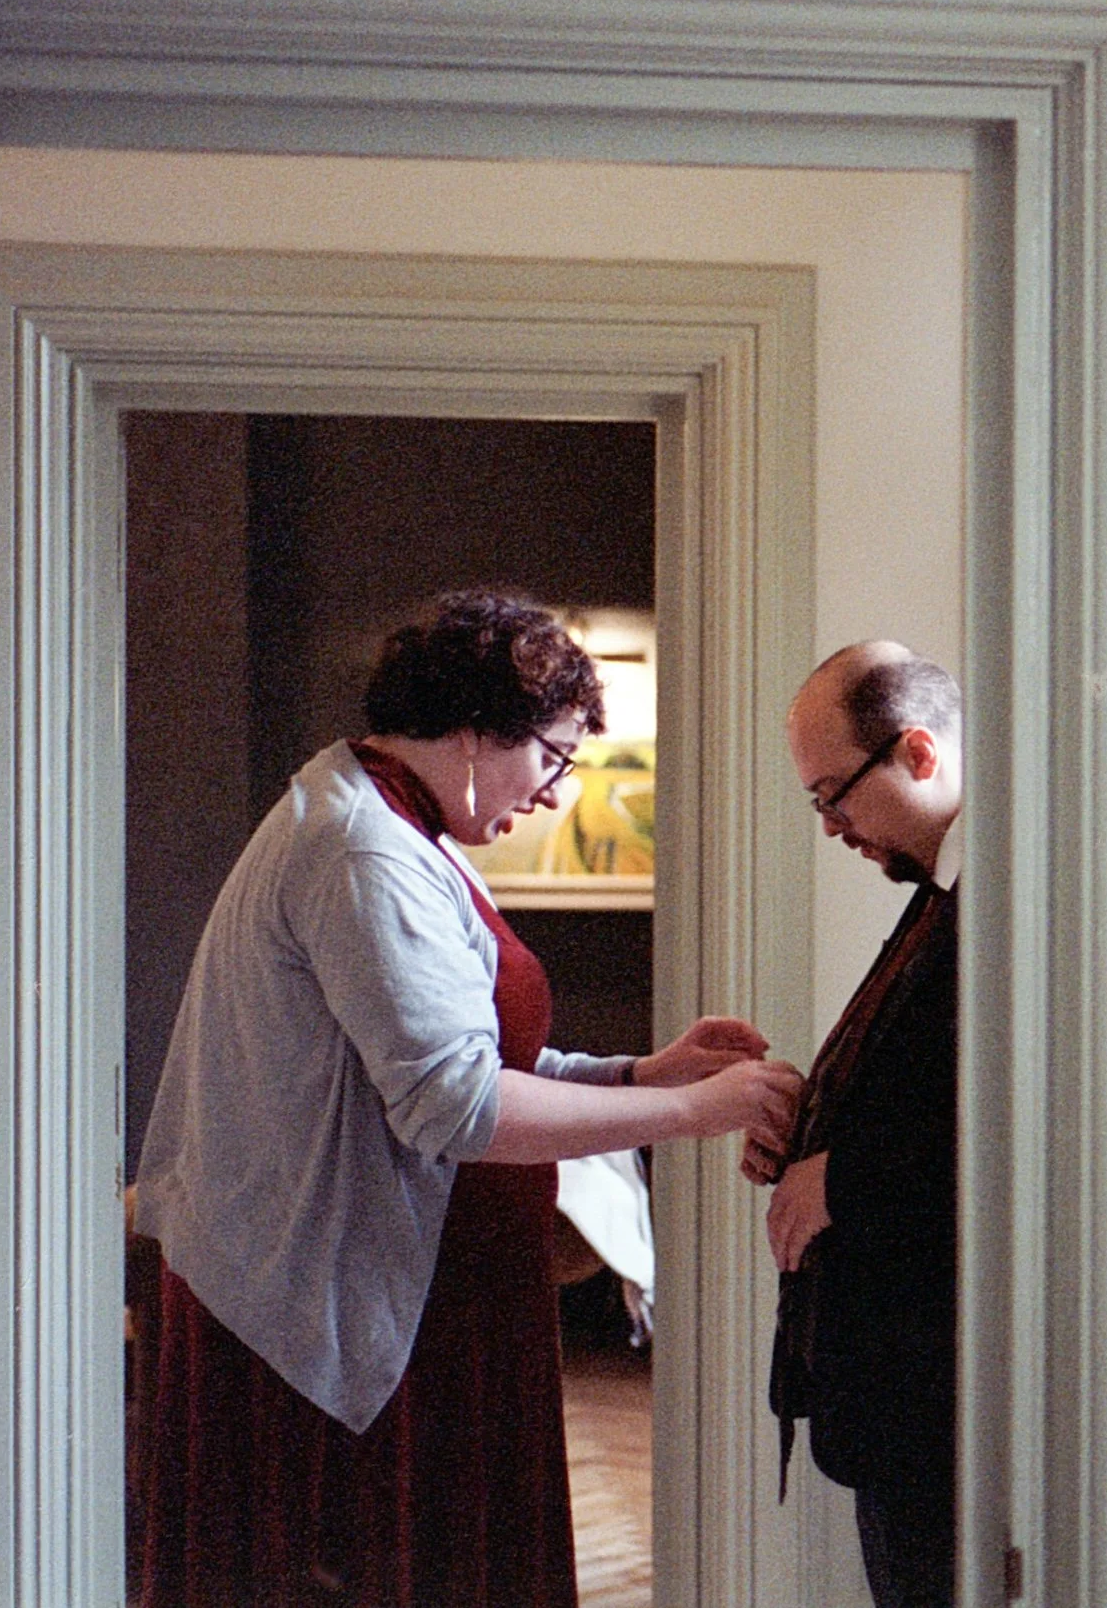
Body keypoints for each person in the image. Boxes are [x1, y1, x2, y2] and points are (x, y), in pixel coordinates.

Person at [132, 588, 803, 1608]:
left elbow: (457, 1060)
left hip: (401, 1292)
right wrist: (694, 1113)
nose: (555, 793)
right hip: (328, 1314)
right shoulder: (365, 849)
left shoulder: (384, 822)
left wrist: (640, 1073)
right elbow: (456, 1108)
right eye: (554, 756)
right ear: (481, 731)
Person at [749, 641, 963, 1608]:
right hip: (900, 1393)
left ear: (918, 753)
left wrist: (843, 1176)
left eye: (836, 793)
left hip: (940, 1399)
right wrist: (809, 1127)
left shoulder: (1005, 897)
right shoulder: (945, 890)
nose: (832, 825)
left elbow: (1002, 1132)